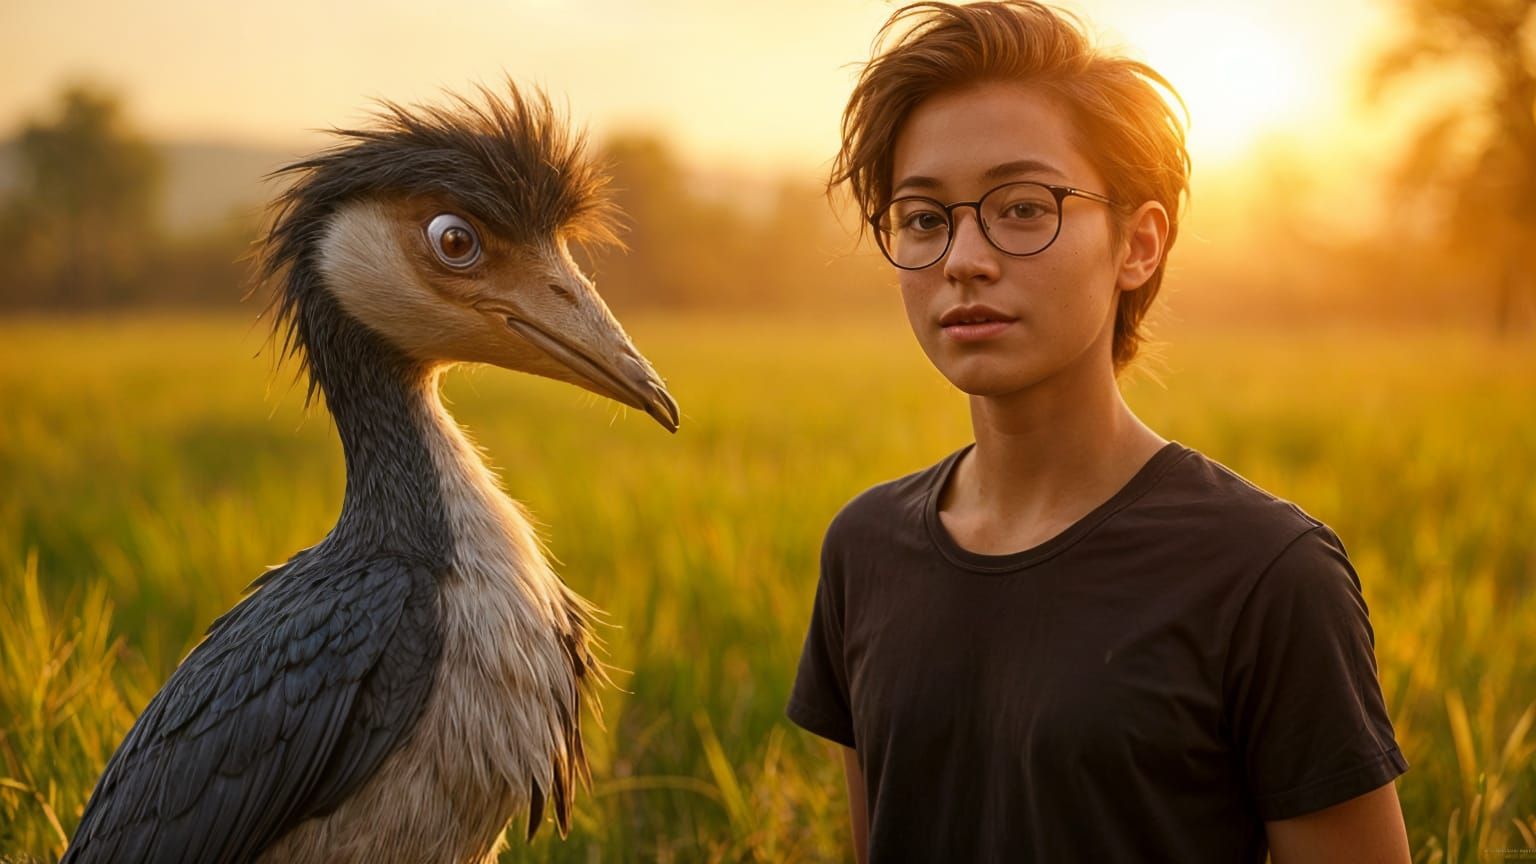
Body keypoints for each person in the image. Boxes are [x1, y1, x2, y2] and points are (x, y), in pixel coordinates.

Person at [785, 3, 1412, 862]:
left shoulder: (1265, 573)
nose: (963, 259)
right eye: (924, 218)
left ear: (1138, 245)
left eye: (1021, 207)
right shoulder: (865, 549)